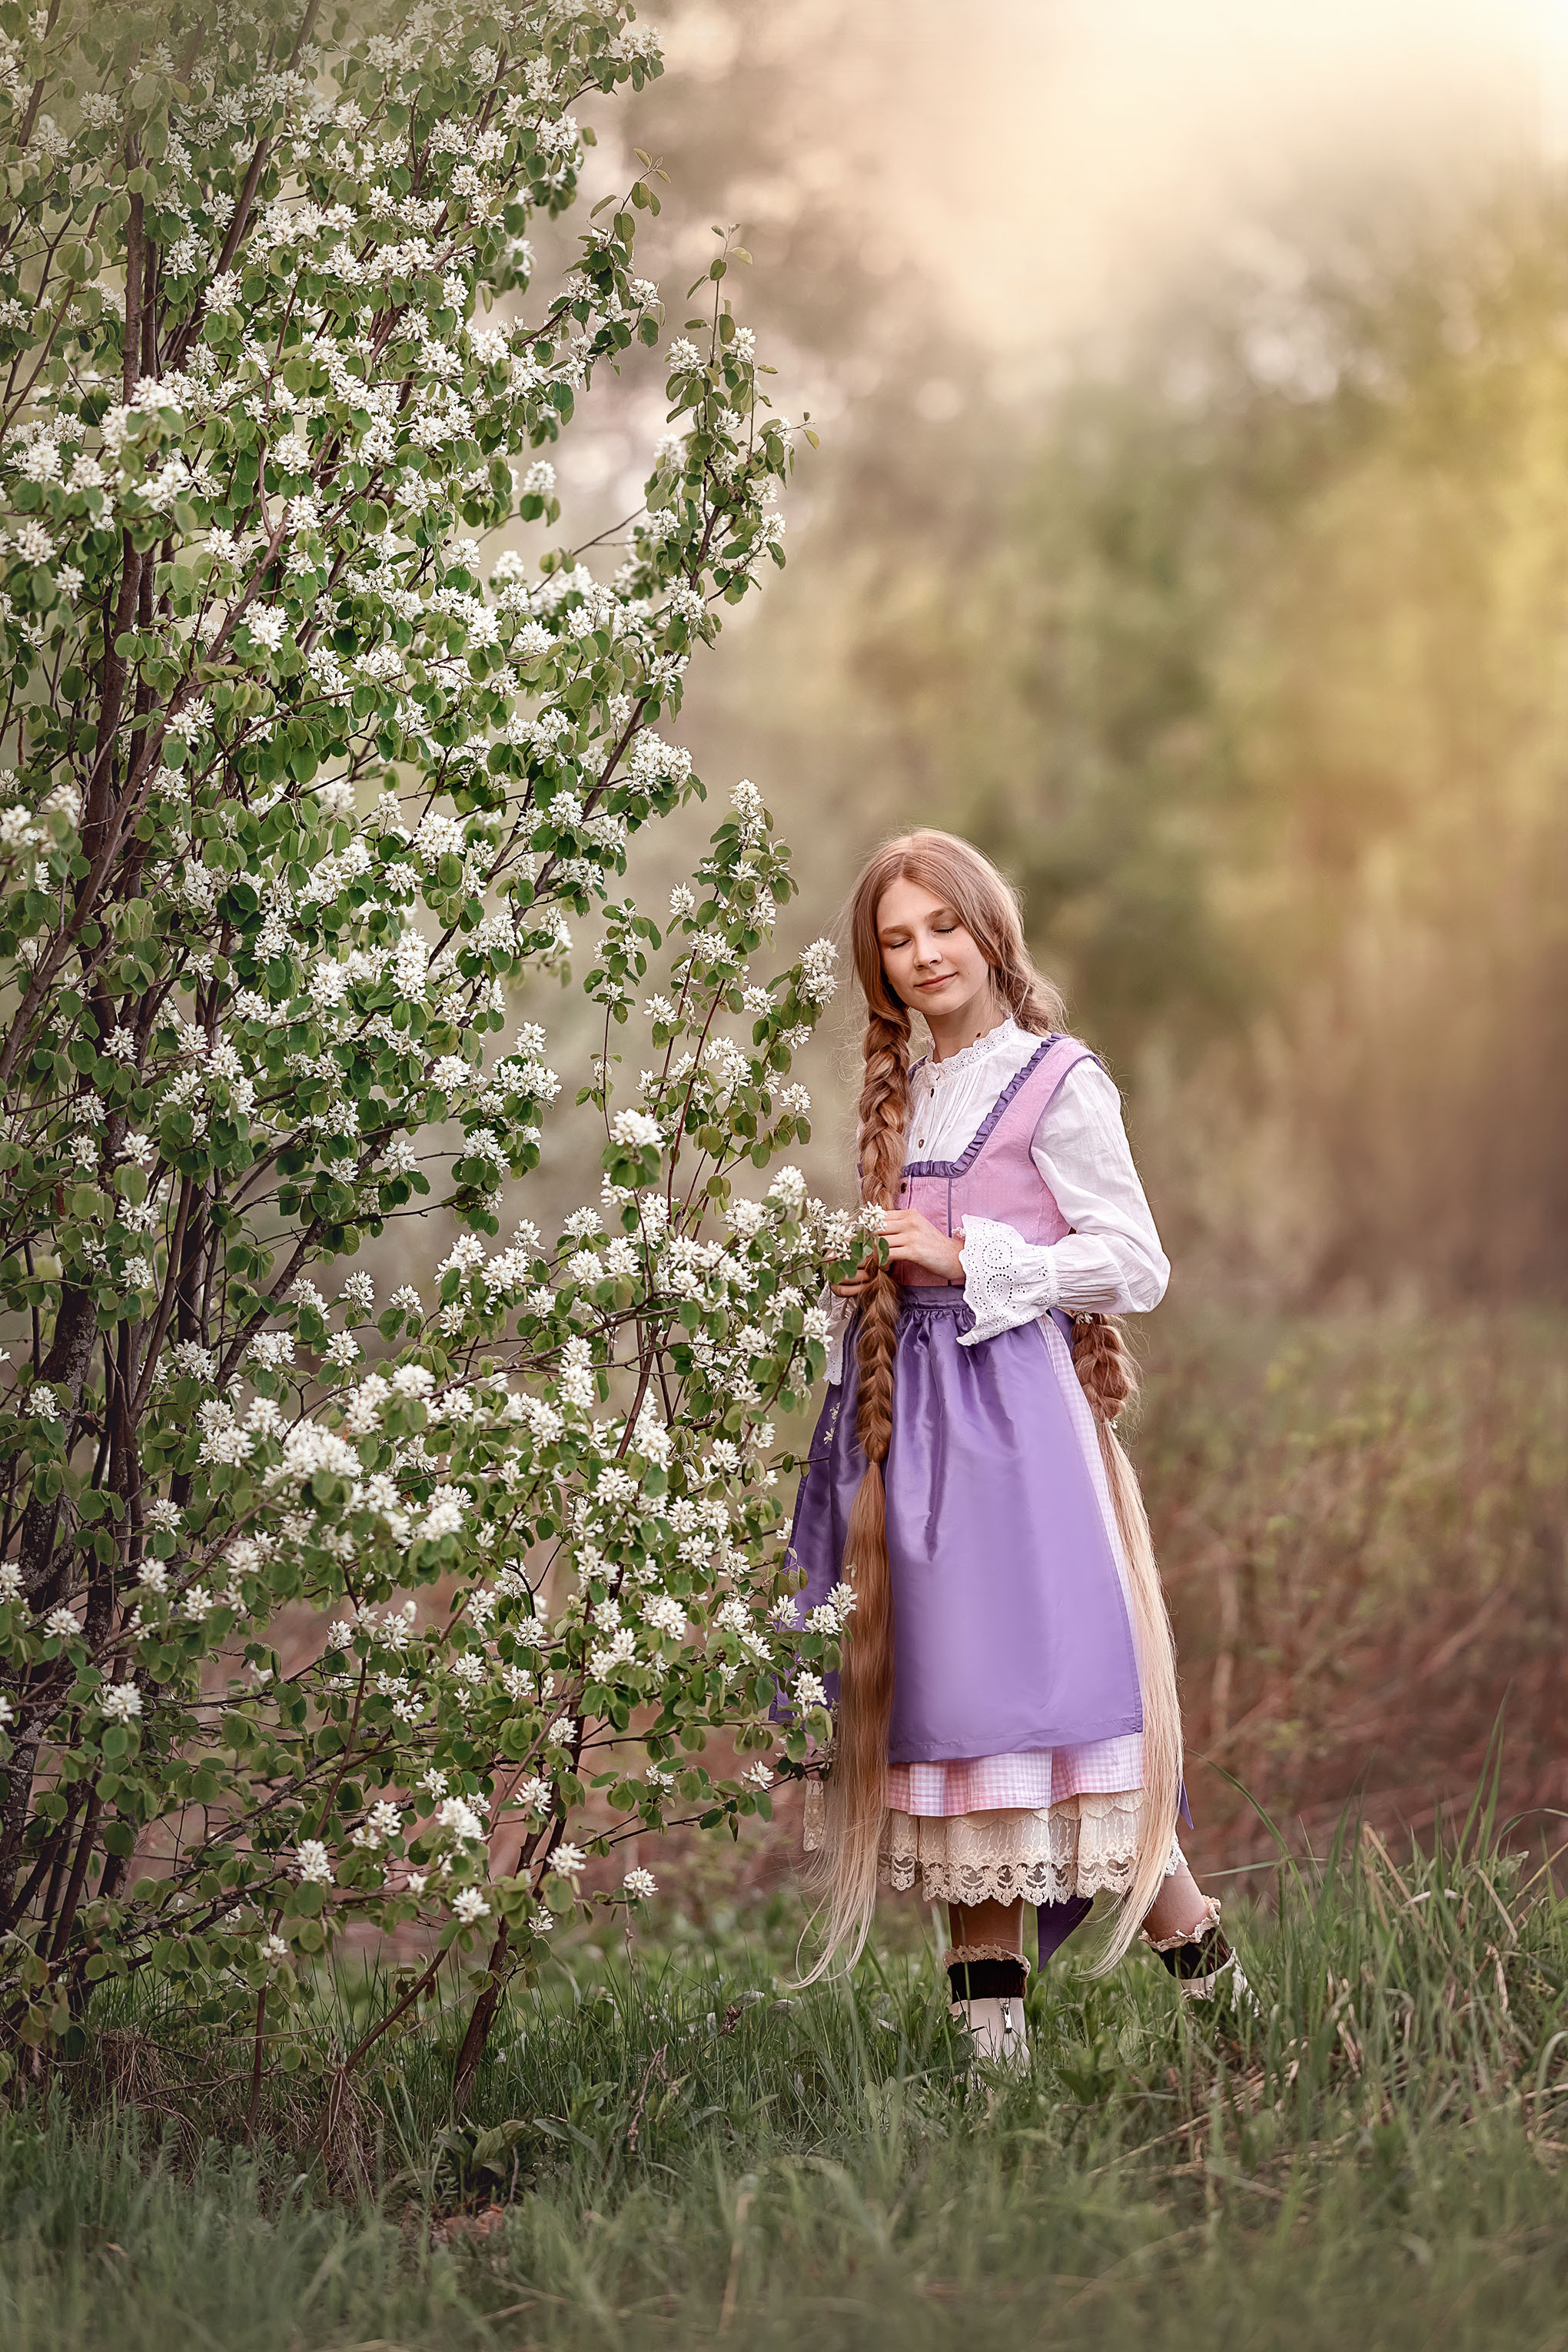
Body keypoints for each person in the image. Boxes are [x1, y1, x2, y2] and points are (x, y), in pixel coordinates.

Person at [786, 829, 1247, 2066]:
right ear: (877, 967)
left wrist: (969, 1257)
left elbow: (1134, 1264)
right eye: (897, 939)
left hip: (1019, 1445)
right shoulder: (904, 1094)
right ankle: (998, 2089)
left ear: (990, 930)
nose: (924, 954)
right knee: (960, 1754)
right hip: (906, 1445)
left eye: (943, 926)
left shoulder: (1055, 1078)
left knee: (1046, 1736)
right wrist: (862, 1284)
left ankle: (1237, 2027)